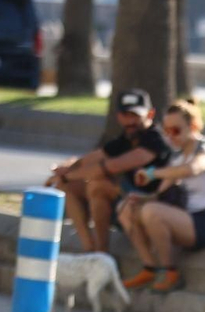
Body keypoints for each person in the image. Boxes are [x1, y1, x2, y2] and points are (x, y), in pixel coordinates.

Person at [121, 101, 205, 293]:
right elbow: (161, 192)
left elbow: (192, 169)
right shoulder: (177, 156)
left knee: (152, 212)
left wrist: (152, 173)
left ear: (193, 127)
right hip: (184, 217)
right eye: (166, 131)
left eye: (176, 130)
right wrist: (142, 198)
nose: (171, 136)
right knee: (126, 209)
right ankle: (149, 267)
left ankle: (171, 273)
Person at [45, 89, 170, 252]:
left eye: (135, 115)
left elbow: (111, 166)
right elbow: (93, 158)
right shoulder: (126, 138)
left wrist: (67, 176)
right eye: (126, 115)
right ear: (119, 116)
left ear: (150, 114)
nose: (130, 121)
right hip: (127, 199)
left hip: (152, 202)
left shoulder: (155, 139)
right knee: (68, 188)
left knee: (98, 185)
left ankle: (101, 251)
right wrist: (65, 169)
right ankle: (89, 248)